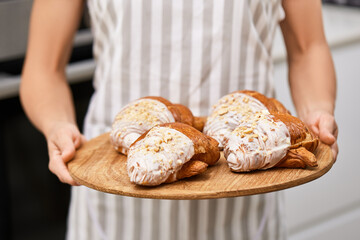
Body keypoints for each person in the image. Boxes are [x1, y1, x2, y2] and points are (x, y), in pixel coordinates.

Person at [20, 0, 338, 239]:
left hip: (242, 197)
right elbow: (43, 69)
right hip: (116, 196)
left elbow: (308, 47)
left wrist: (317, 111)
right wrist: (58, 124)